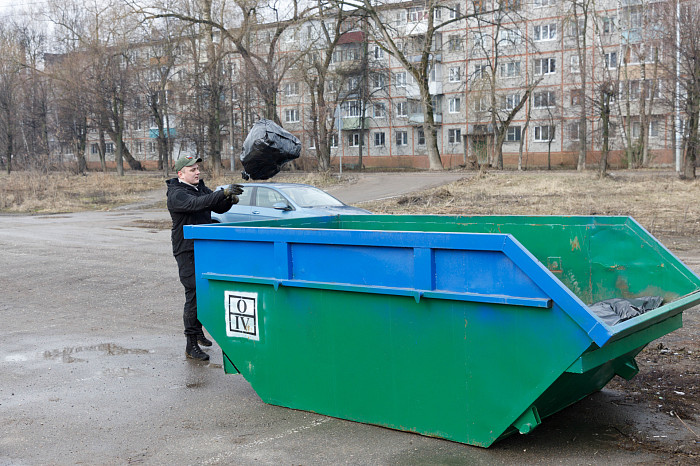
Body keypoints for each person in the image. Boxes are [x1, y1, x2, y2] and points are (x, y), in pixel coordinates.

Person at [166, 155, 243, 361]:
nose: (197, 172)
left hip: (204, 248)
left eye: (198, 168)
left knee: (205, 292)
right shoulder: (176, 193)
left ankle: (198, 331)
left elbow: (217, 207)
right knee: (194, 294)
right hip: (186, 250)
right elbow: (196, 204)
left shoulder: (200, 188)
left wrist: (228, 200)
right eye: (192, 169)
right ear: (181, 173)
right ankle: (190, 344)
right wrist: (222, 193)